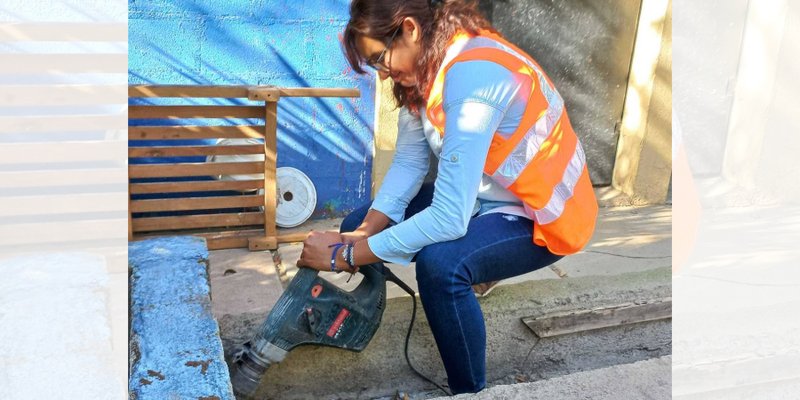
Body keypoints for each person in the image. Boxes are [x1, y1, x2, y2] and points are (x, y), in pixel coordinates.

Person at [296, 0, 598, 394]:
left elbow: (448, 218)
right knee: (356, 223)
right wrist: (361, 235)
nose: (383, 72)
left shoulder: (475, 75)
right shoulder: (423, 72)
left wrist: (345, 256)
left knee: (442, 267)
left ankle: (470, 390)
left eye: (380, 59)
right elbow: (408, 163)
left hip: (538, 213)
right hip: (479, 200)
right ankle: (372, 315)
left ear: (409, 29)